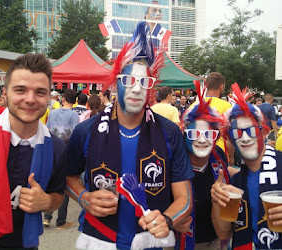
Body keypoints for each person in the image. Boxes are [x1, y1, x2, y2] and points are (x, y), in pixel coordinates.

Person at [66, 22, 194, 250]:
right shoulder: (86, 130)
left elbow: (184, 198)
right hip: (98, 240)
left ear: (151, 88)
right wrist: (84, 197)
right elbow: (68, 177)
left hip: (150, 243)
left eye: (144, 82)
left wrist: (167, 220)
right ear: (116, 84)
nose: (136, 89)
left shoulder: (169, 132)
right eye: (129, 81)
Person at [0, 53, 67, 249]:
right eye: (20, 90)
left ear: (48, 96)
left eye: (39, 92)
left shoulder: (56, 147)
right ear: (5, 94)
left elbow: (58, 195)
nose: (30, 99)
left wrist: (46, 201)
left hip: (25, 243)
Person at [211, 83, 282, 249]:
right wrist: (217, 199)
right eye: (237, 133)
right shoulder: (235, 183)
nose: (244, 138)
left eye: (251, 130)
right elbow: (223, 233)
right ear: (231, 139)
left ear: (263, 132)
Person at [177, 81, 230, 250]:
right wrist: (171, 221)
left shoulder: (219, 157)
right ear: (184, 133)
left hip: (216, 242)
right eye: (194, 133)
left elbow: (228, 172)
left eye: (209, 134)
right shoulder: (173, 163)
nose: (201, 140)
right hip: (180, 243)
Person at [44, 89, 79, 229]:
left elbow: (47, 130)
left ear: (63, 99)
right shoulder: (74, 115)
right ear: (74, 101)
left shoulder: (52, 113)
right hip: (66, 153)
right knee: (63, 186)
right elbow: (75, 135)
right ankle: (61, 221)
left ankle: (47, 216)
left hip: (52, 151)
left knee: (51, 181)